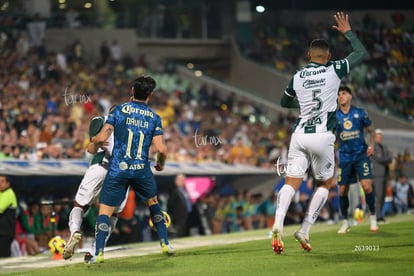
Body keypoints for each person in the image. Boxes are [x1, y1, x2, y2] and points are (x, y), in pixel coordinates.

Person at [271, 12, 367, 254]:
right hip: (323, 135)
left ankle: (277, 222)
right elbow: (361, 53)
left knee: (291, 181)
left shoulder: (298, 76)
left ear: (308, 56)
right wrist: (347, 32)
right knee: (326, 182)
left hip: (300, 135)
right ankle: (304, 229)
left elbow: (284, 102)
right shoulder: (334, 69)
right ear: (329, 56)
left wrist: (304, 105)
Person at [87, 75, 174, 264]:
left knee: (105, 212)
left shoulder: (119, 111)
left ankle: (99, 252)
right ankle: (165, 243)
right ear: (150, 95)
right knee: (153, 203)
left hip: (118, 169)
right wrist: (160, 164)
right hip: (141, 170)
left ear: (133, 91)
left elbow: (102, 137)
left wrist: (94, 142)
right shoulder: (154, 118)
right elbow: (161, 149)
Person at [63, 109, 128, 260]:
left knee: (80, 204)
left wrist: (97, 142)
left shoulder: (100, 121)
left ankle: (75, 231)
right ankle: (94, 250)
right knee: (113, 213)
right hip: (122, 173)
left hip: (100, 166)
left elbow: (91, 150)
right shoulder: (133, 127)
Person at [336, 85, 378, 234]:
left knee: (367, 186)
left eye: (344, 93)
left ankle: (373, 218)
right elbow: (331, 137)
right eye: (339, 94)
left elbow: (372, 132)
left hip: (361, 155)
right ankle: (345, 222)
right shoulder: (334, 117)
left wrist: (371, 146)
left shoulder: (360, 113)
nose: (341, 96)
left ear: (350, 96)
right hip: (345, 158)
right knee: (342, 190)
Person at [371, 129, 393, 223]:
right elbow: (381, 159)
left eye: (381, 136)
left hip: (384, 174)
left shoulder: (383, 147)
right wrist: (388, 158)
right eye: (378, 136)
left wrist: (388, 158)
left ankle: (379, 215)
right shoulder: (373, 147)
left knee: (383, 196)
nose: (379, 138)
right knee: (379, 196)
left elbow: (388, 158)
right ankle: (378, 216)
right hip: (377, 175)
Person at [167, 173, 192, 238]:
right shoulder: (174, 191)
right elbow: (170, 204)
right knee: (179, 232)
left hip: (187, 214)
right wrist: (174, 214)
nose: (183, 181)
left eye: (183, 180)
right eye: (181, 180)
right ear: (176, 181)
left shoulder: (185, 190)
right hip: (179, 216)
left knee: (185, 232)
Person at [0, 175, 18, 257]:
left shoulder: (9, 193)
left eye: (2, 181)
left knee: (3, 255)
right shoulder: (1, 193)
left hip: (5, 232)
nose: (0, 183)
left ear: (8, 183)